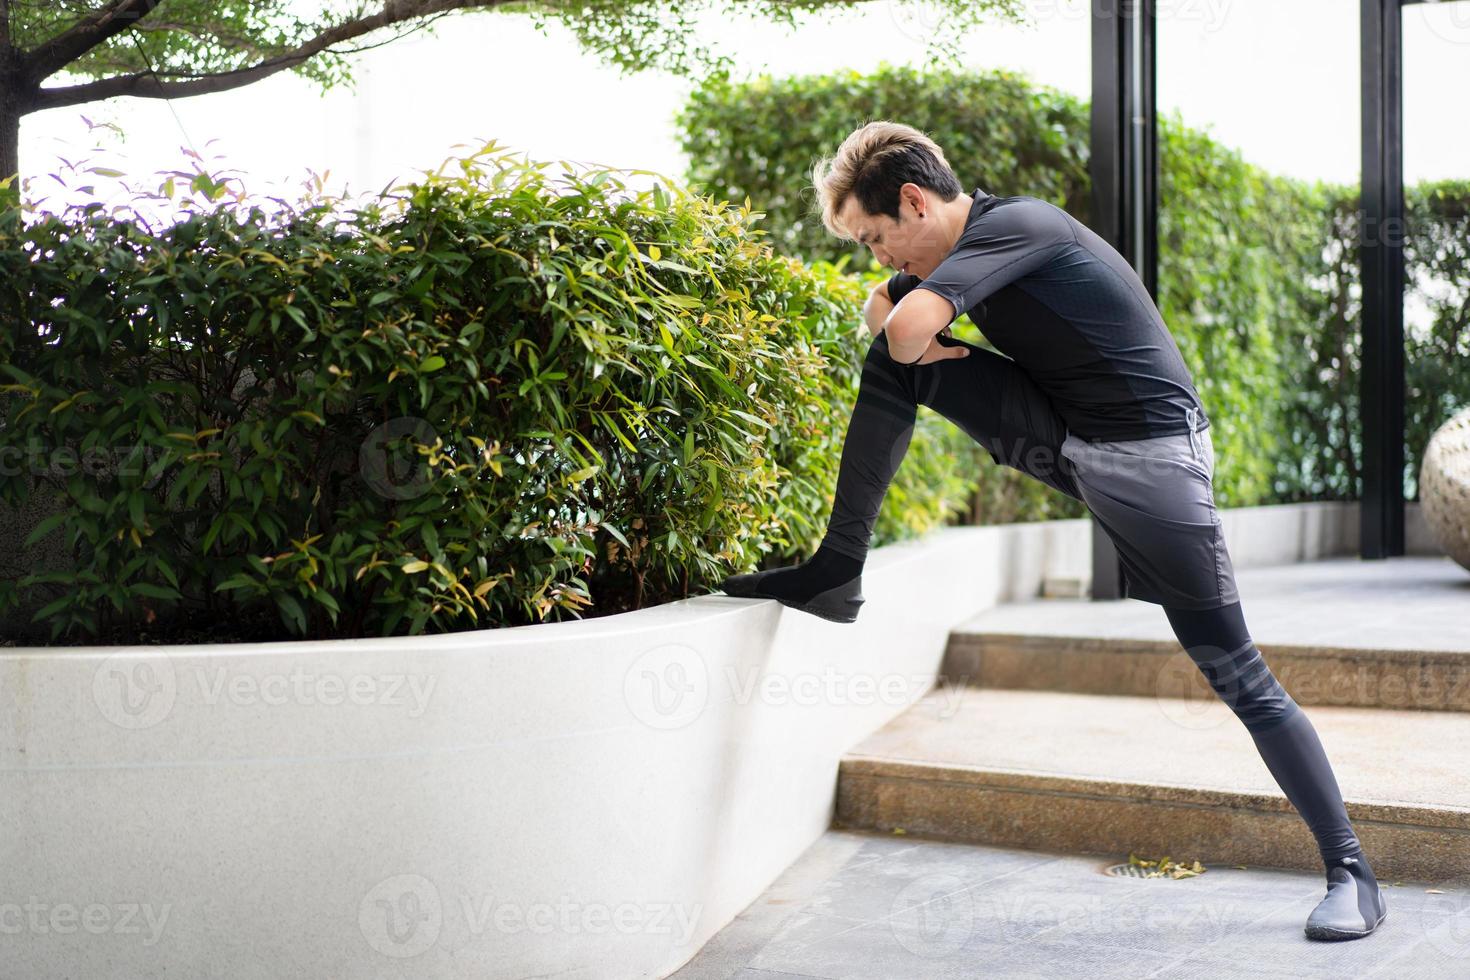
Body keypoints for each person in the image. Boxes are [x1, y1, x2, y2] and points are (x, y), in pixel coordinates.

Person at [719, 120, 1387, 941]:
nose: (877, 258)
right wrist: (902, 323)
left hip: (1151, 461)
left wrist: (905, 324)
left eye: (875, 238)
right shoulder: (962, 255)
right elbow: (886, 324)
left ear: (915, 201)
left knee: (1235, 671)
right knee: (895, 362)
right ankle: (837, 567)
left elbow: (897, 322)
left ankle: (1352, 870)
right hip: (1070, 436)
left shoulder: (1022, 226)